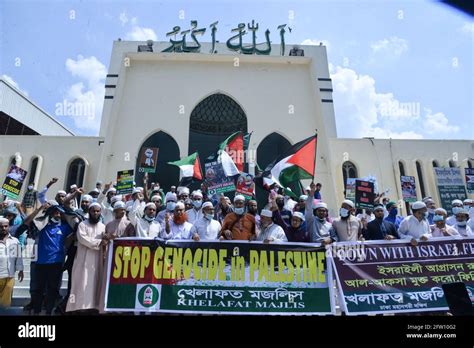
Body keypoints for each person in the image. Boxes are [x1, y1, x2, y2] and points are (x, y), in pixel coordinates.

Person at [29, 202, 73, 315]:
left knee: (52, 289)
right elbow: (30, 223)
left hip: (56, 263)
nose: (57, 214)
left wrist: (65, 212)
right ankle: (37, 311)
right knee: (39, 289)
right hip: (40, 263)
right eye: (55, 211)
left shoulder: (65, 227)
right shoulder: (43, 225)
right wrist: (41, 211)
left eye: (59, 212)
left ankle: (49, 311)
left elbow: (75, 224)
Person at [66, 203, 107, 313]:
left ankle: (94, 307)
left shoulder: (103, 227)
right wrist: (99, 242)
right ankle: (78, 307)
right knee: (81, 283)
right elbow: (83, 239)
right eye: (94, 211)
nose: (96, 213)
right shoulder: (82, 225)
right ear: (89, 212)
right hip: (83, 260)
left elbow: (106, 241)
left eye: (98, 211)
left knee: (95, 284)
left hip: (97, 261)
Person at [0, 217, 24, 308]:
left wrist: (21, 270)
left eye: (6, 226)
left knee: (6, 302)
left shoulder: (14, 241)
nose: (4, 228)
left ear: (9, 227)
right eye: (1, 227)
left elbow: (18, 257)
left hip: (10, 275)